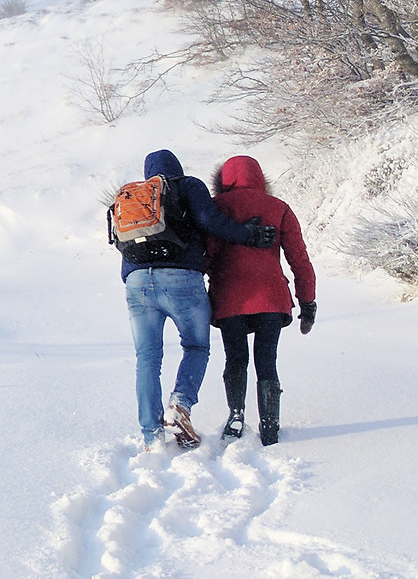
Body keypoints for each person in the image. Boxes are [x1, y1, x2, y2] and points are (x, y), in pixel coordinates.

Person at [110, 148, 273, 449]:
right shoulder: (188, 186)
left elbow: (120, 242)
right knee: (196, 346)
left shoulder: (132, 197)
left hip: (136, 283)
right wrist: (248, 235)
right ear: (178, 167)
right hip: (182, 278)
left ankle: (151, 435)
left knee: (147, 357)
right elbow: (211, 221)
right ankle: (180, 405)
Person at [204, 155, 317, 445]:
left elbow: (206, 256)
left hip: (230, 299)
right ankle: (270, 425)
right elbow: (299, 260)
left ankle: (236, 415)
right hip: (271, 298)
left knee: (236, 358)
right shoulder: (279, 208)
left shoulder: (216, 209)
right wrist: (307, 301)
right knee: (267, 360)